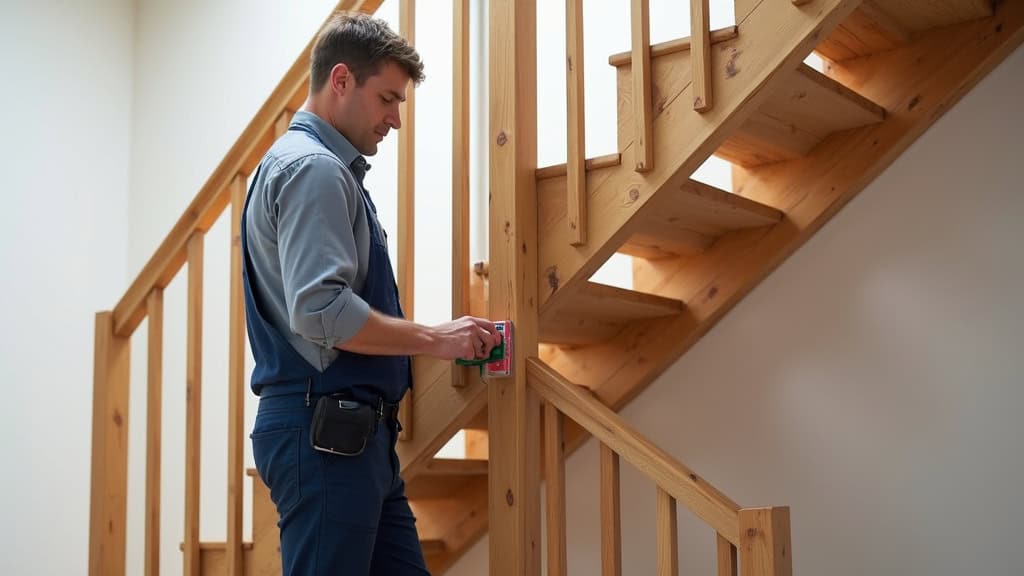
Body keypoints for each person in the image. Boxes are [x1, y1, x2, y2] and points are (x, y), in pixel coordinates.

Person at [242, 12, 501, 576]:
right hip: (328, 437)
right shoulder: (313, 170)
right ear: (340, 81)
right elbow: (322, 311)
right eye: (387, 98)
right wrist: (437, 339)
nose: (396, 120)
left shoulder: (314, 167)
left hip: (351, 439)